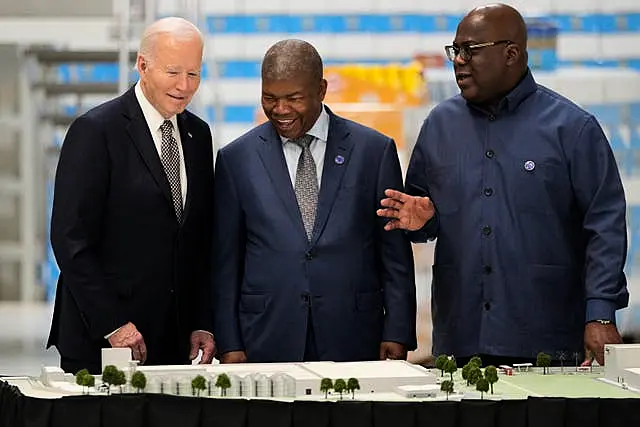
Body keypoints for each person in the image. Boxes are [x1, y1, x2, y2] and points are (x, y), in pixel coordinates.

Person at [377, 3, 629, 367]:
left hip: (547, 337)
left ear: (511, 53)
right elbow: (421, 215)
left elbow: (605, 226)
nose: (459, 60)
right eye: (455, 50)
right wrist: (423, 221)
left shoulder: (572, 128)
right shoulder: (439, 125)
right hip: (461, 339)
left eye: (470, 50)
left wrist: (601, 313)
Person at [212, 39, 416, 363]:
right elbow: (225, 263)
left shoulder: (373, 152)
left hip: (355, 334)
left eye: (293, 98)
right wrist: (228, 342)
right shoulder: (235, 159)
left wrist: (398, 330)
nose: (280, 110)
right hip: (265, 336)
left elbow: (393, 255)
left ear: (321, 90)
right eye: (270, 98)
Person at [47, 17, 216, 374]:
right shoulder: (95, 131)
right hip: (104, 341)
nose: (184, 86)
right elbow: (69, 239)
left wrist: (202, 321)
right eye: (173, 72)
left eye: (194, 74)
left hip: (173, 344)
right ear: (142, 65)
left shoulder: (198, 136)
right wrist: (113, 324)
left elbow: (197, 241)